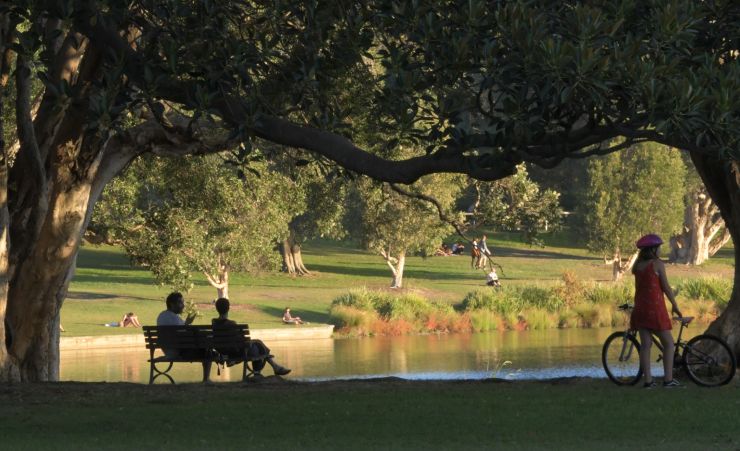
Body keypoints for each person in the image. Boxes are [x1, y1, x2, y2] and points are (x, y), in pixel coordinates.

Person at [630, 234, 683, 388]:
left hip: (640, 308)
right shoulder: (657, 264)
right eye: (659, 247)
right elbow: (665, 287)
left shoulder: (637, 266)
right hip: (654, 308)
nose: (660, 250)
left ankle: (648, 381)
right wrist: (675, 304)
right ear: (653, 249)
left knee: (645, 345)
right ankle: (668, 380)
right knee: (669, 344)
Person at [212, 298, 291, 377]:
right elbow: (242, 342)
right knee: (258, 348)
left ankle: (275, 367)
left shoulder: (214, 323)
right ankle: (265, 371)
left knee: (258, 343)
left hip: (224, 353)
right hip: (238, 353)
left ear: (217, 309)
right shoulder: (232, 324)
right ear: (228, 308)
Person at [156, 292, 212, 382]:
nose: (183, 305)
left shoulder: (161, 316)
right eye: (180, 303)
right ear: (172, 304)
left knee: (206, 348)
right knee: (208, 352)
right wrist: (188, 324)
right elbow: (185, 335)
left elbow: (181, 334)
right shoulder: (174, 318)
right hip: (179, 352)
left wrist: (186, 324)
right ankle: (206, 379)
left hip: (168, 351)